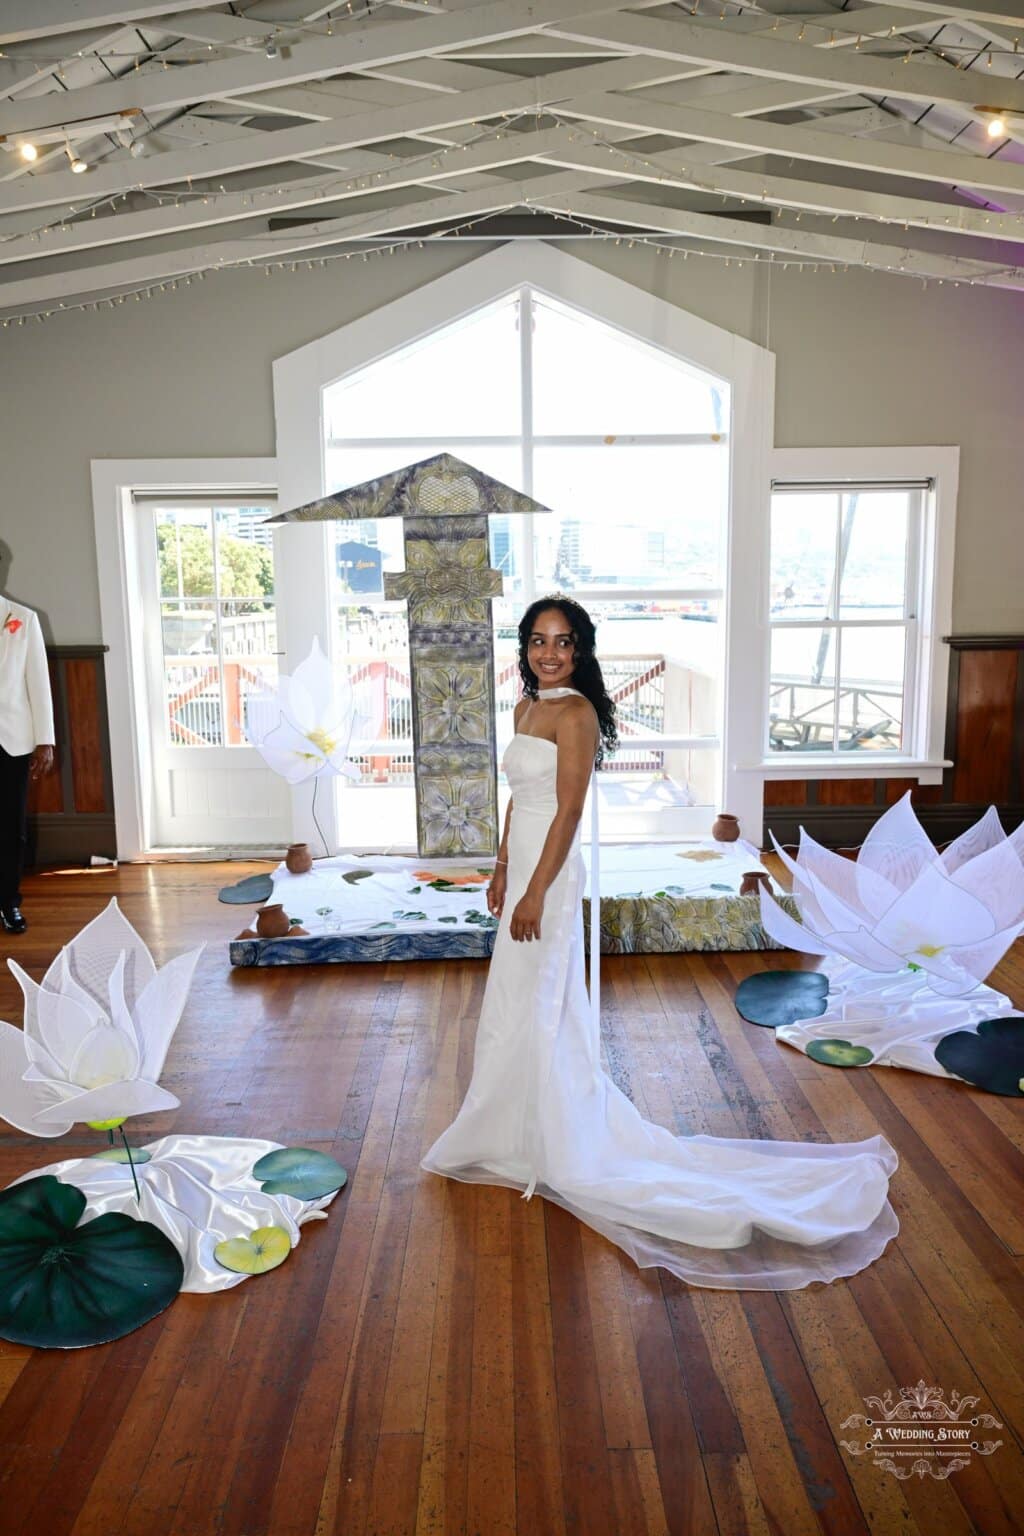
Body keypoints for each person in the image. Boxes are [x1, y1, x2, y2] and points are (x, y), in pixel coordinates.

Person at [420, 596, 898, 1289]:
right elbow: (521, 802)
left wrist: (533, 891)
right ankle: (506, 1126)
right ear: (525, 649)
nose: (548, 653)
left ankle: (554, 1133)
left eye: (562, 642)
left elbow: (570, 811)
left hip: (550, 875)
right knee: (511, 999)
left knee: (543, 997)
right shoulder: (524, 709)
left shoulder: (576, 714)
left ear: (580, 650)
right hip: (522, 865)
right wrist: (500, 869)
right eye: (537, 641)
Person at [0, 579, 55, 935]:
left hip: (12, 741)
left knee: (10, 829)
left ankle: (8, 904)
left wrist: (44, 739)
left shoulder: (22, 618)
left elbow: (38, 681)